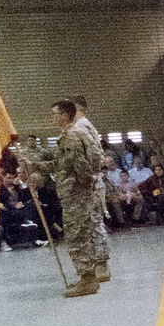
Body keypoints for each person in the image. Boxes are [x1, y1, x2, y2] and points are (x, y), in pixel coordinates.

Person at [32, 99, 106, 296]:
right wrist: (35, 164)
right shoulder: (73, 134)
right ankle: (87, 277)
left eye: (55, 114)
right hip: (77, 194)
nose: (53, 118)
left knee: (76, 237)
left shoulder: (72, 136)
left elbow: (81, 165)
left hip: (76, 195)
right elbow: (61, 164)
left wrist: (83, 186)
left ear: (65, 115)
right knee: (81, 235)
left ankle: (88, 280)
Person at [71, 96, 111, 280]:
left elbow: (94, 155)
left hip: (89, 185)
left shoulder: (81, 127)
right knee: (92, 223)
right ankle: (98, 262)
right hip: (88, 183)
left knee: (94, 223)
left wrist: (90, 177)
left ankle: (101, 263)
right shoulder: (83, 126)